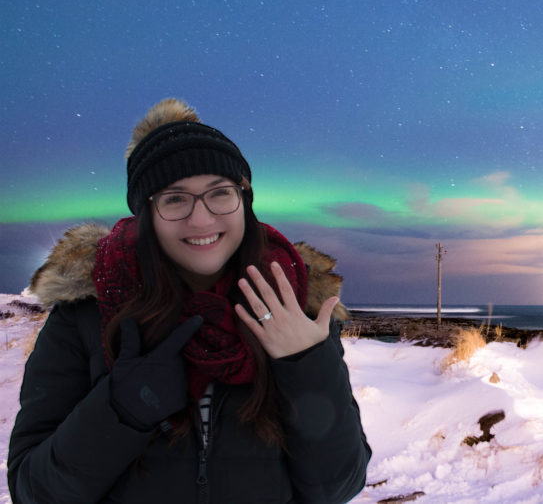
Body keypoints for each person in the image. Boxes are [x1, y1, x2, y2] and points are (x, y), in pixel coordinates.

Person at [8, 98, 371, 503]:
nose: (201, 219)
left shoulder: (296, 309)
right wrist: (119, 411)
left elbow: (339, 486)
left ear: (244, 201)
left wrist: (305, 367)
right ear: (148, 213)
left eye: (219, 193)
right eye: (175, 198)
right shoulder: (84, 315)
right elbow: (31, 491)